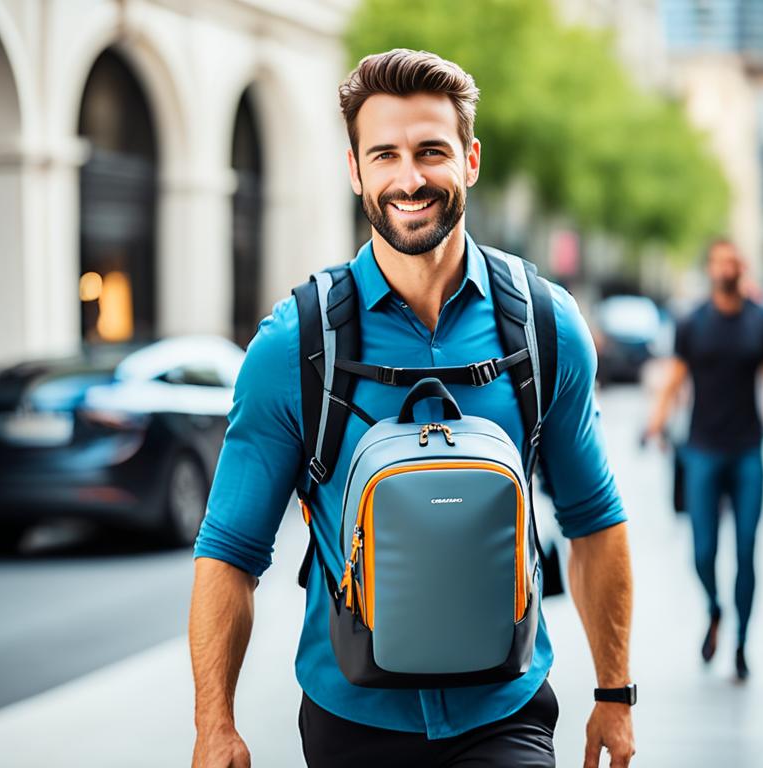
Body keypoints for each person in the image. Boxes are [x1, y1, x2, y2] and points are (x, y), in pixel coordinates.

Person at [189, 49, 635, 768]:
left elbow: (595, 522)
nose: (409, 178)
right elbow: (230, 552)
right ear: (355, 170)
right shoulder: (296, 346)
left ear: (471, 160)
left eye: (432, 151)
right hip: (351, 716)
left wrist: (616, 694)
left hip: (507, 711)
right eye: (385, 154)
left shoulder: (546, 328)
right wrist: (215, 724)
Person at [646, 238, 763, 681]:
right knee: (703, 551)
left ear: (742, 267)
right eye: (719, 260)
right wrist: (656, 420)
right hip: (702, 451)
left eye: (733, 260)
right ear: (711, 268)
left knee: (746, 550)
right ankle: (714, 609)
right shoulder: (693, 323)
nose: (726, 267)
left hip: (748, 452)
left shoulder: (762, 323)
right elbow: (675, 377)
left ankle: (743, 642)